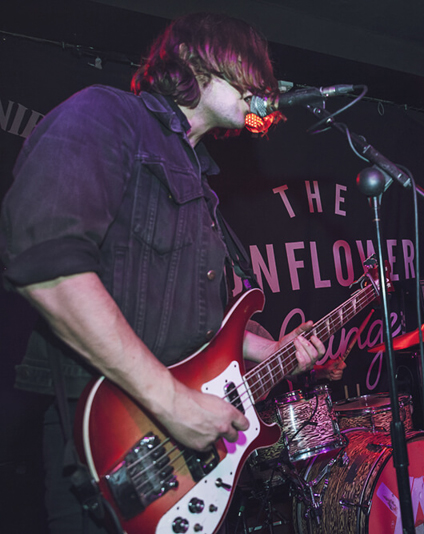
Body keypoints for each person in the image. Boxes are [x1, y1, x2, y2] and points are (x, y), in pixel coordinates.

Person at [0, 13, 327, 533]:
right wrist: (171, 401)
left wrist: (267, 350)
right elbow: (47, 265)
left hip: (181, 463)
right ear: (198, 61)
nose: (264, 89)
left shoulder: (203, 187)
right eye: (252, 71)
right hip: (110, 446)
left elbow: (193, 322)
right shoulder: (105, 114)